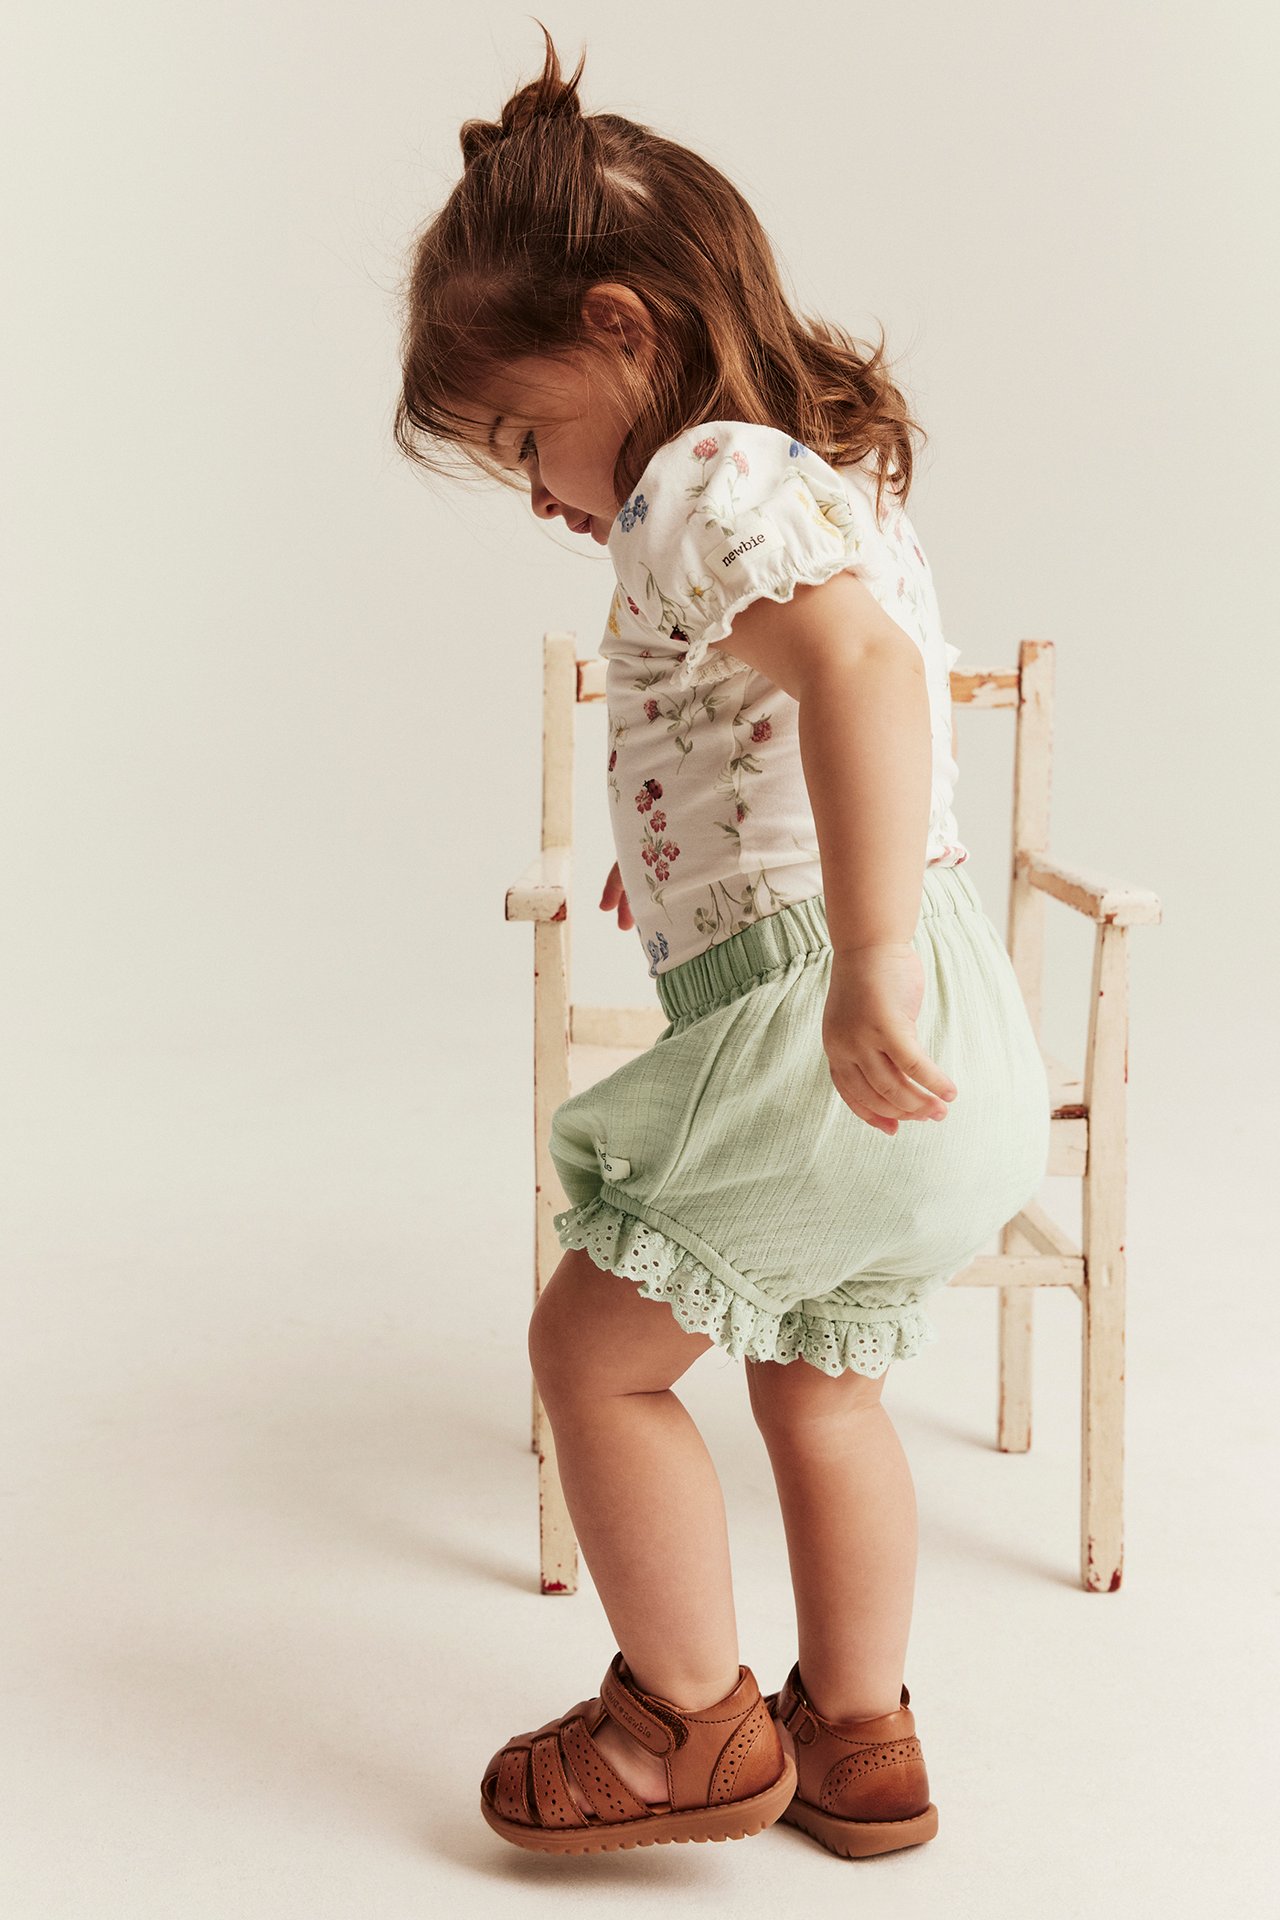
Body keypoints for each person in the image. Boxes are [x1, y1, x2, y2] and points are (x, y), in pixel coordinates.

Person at [395, 22, 1051, 1861]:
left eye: (525, 433)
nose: (534, 487)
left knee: (590, 1357)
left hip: (842, 1018)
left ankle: (686, 1722)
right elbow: (840, 698)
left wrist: (848, 960)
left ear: (621, 325)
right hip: (961, 1046)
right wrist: (681, 861)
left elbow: (843, 671)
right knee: (819, 1387)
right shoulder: (823, 479)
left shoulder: (696, 481)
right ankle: (860, 1736)